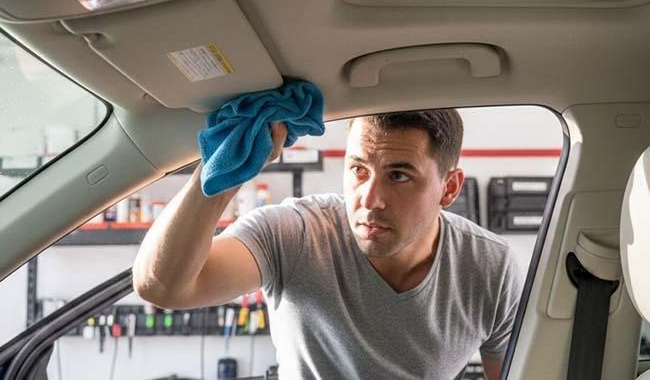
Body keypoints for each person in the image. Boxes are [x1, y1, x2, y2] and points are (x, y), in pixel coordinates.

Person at [133, 109, 523, 380]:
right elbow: (163, 286)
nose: (369, 200)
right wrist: (221, 173)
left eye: (399, 175)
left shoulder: (489, 268)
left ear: (449, 188)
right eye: (358, 170)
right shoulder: (296, 233)